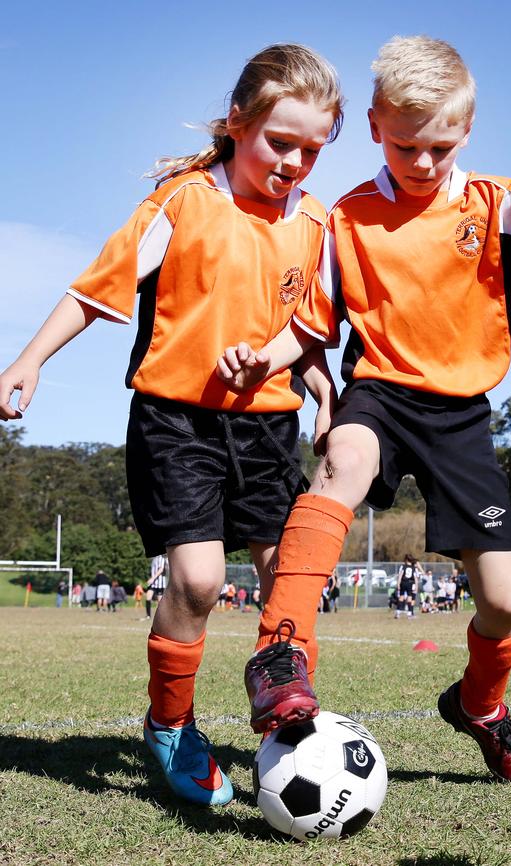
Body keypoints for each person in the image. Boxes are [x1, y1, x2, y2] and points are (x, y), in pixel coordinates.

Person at [221, 34, 511, 785]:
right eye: (407, 146)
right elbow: (313, 324)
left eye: (441, 148)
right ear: (378, 124)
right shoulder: (346, 220)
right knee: (343, 461)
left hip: (460, 415)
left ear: (468, 132)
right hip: (379, 392)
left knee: (506, 604)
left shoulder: (498, 208)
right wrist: (270, 356)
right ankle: (281, 655)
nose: (422, 163)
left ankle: (480, 706)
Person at [0, 43, 343, 807]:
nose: (293, 161)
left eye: (311, 150)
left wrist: (324, 394)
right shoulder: (185, 200)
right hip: (176, 422)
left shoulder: (316, 223)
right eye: (279, 142)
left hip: (266, 427)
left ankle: (287, 718)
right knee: (196, 579)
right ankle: (170, 726)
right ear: (236, 123)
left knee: (289, 580)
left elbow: (312, 330)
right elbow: (98, 289)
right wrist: (29, 360)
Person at [143, 554, 168, 621]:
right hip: (153, 583)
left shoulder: (161, 557)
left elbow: (161, 569)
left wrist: (152, 578)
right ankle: (148, 616)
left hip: (160, 583)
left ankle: (162, 617)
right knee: (148, 597)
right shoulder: (154, 558)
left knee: (160, 602)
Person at [395, 554, 420, 619]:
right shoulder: (413, 568)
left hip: (403, 583)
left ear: (406, 559)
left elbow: (400, 575)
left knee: (401, 597)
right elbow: (415, 578)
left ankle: (398, 613)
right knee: (409, 598)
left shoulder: (403, 566)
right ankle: (409, 614)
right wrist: (416, 587)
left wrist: (398, 584)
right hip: (410, 583)